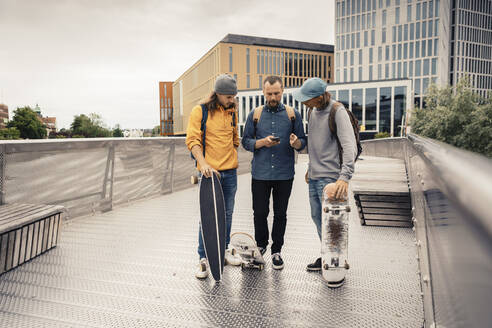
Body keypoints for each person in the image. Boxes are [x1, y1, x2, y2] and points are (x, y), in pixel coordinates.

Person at [241, 75, 307, 270]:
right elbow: (245, 141)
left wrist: (296, 143)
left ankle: (277, 251)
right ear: (263, 92)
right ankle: (261, 246)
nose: (273, 97)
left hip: (284, 174)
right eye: (269, 93)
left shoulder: (292, 114)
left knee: (281, 214)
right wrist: (262, 142)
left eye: (276, 93)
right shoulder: (255, 114)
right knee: (259, 213)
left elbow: (303, 141)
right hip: (260, 174)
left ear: (282, 91)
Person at [292, 77, 357, 272]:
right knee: (317, 217)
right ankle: (327, 255)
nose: (303, 102)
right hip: (314, 175)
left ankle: (336, 260)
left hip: (331, 179)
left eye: (307, 99)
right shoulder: (312, 111)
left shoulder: (338, 111)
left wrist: (344, 177)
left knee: (333, 223)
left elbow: (349, 146)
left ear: (319, 97)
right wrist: (310, 167)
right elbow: (316, 144)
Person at [186, 74, 241, 279]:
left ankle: (223, 250)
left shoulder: (232, 112)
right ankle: (203, 258)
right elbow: (193, 141)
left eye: (234, 96)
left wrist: (229, 157)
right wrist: (204, 164)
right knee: (208, 217)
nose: (232, 100)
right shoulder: (200, 111)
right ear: (217, 94)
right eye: (228, 96)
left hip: (230, 172)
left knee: (227, 214)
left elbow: (235, 140)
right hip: (210, 174)